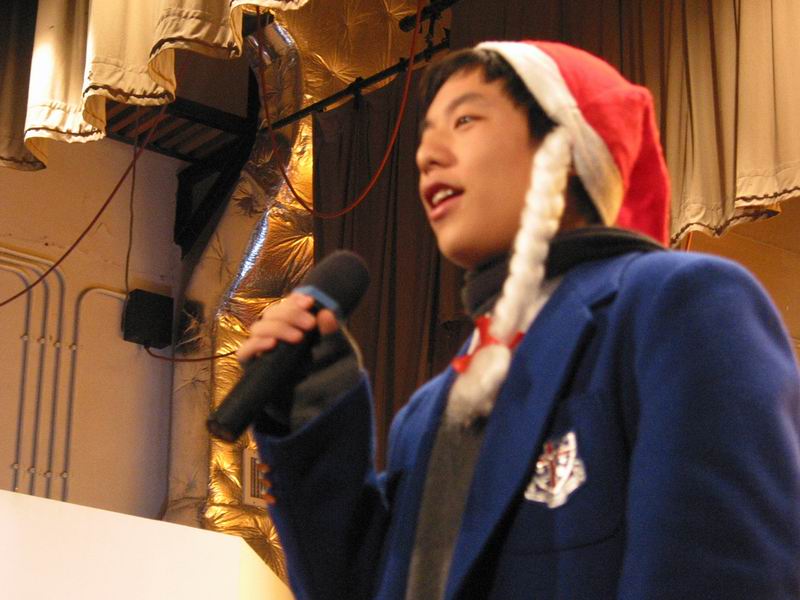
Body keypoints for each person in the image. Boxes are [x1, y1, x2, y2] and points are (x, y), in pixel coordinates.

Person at [237, 40, 800, 600]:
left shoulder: (679, 304)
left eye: (465, 120)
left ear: (565, 147)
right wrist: (313, 411)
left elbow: (724, 575)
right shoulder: (429, 411)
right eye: (426, 134)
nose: (426, 155)